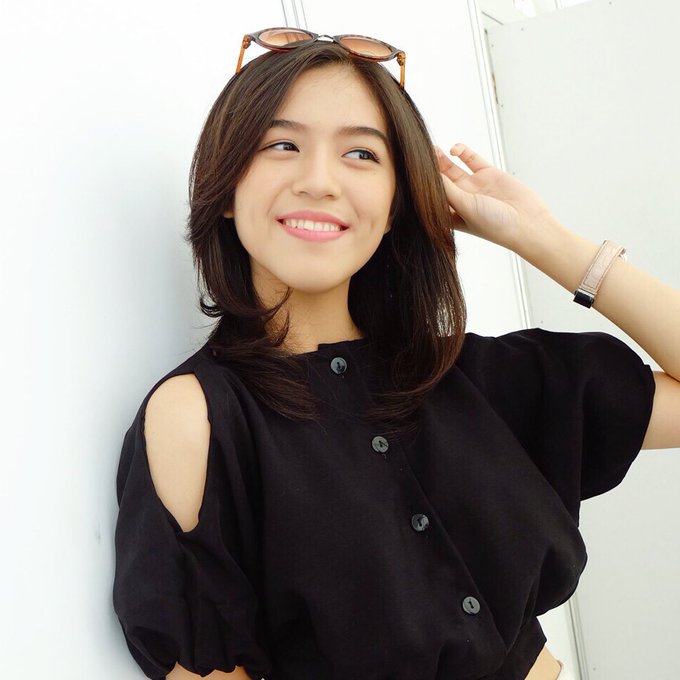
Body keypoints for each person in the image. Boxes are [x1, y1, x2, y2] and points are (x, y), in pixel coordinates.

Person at [112, 28, 680, 680]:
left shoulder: (472, 380)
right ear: (226, 187)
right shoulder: (201, 419)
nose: (319, 181)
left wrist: (539, 237)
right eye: (281, 145)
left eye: (360, 153)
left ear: (394, 207)